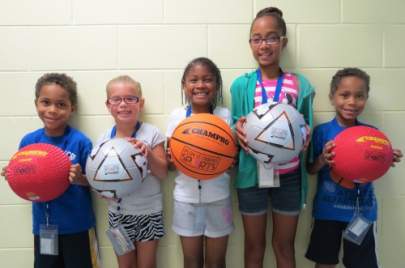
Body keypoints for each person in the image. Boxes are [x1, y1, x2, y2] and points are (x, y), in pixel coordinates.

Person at [231, 7, 315, 268]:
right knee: (254, 247)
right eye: (257, 38)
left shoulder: (300, 85)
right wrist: (238, 129)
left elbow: (307, 126)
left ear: (283, 42)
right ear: (250, 44)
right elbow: (235, 123)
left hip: (289, 176)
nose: (263, 45)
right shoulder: (241, 85)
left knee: (284, 246)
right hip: (252, 175)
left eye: (271, 37)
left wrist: (305, 135)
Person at [305, 67, 402, 268]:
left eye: (359, 96)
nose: (352, 102)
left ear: (366, 98)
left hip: (362, 214)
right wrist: (323, 159)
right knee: (324, 263)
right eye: (344, 95)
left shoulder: (373, 135)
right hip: (327, 212)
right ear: (332, 97)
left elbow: (374, 167)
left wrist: (385, 157)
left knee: (362, 265)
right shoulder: (322, 132)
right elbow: (310, 170)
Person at [1, 73, 99, 268]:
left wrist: (80, 178)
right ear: (36, 103)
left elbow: (97, 183)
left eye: (61, 104)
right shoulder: (29, 142)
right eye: (46, 102)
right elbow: (28, 181)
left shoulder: (80, 142)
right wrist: (15, 175)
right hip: (43, 227)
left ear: (73, 108)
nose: (52, 110)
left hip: (77, 226)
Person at [166, 57, 234, 268]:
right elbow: (169, 166)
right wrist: (173, 159)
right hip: (186, 199)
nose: (200, 85)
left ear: (217, 85)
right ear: (184, 85)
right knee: (191, 261)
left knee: (216, 262)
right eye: (193, 80)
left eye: (207, 79)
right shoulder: (177, 116)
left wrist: (227, 159)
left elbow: (231, 160)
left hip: (218, 198)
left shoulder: (224, 116)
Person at [96, 75, 167, 268]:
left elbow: (162, 173)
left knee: (147, 265)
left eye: (130, 98)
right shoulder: (103, 140)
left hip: (149, 212)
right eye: (116, 99)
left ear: (140, 103)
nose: (123, 104)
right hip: (117, 216)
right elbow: (97, 179)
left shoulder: (152, 133)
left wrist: (149, 154)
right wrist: (101, 189)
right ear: (108, 105)